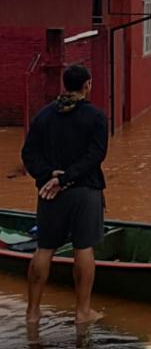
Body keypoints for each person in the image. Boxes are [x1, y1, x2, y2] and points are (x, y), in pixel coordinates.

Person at [20, 64, 108, 325]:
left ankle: (32, 313)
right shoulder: (96, 116)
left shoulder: (44, 115)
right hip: (85, 190)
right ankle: (83, 313)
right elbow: (96, 155)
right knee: (83, 248)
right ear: (88, 85)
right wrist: (66, 178)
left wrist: (49, 176)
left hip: (50, 193)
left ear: (64, 85)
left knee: (44, 248)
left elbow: (28, 154)